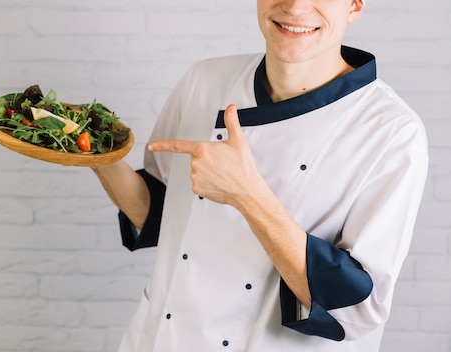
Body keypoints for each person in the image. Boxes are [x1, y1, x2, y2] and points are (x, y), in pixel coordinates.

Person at [91, 0, 428, 350]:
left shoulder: (391, 132)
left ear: (355, 6)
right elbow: (160, 214)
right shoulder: (203, 79)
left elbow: (357, 311)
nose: (296, 7)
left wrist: (248, 195)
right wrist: (96, 155)